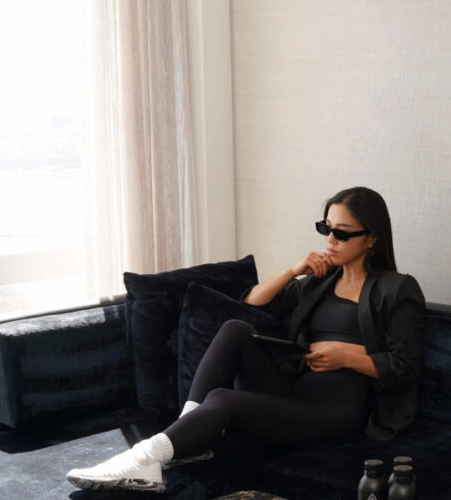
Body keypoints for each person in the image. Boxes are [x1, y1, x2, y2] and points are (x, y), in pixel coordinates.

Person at [66, 186, 427, 493]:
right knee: (237, 329)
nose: (330, 240)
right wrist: (294, 270)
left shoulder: (396, 288)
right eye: (326, 228)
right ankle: (186, 439)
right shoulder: (320, 282)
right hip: (294, 395)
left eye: (342, 233)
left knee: (223, 398)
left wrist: (344, 355)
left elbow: (405, 366)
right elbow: (254, 302)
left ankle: (146, 456)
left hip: (336, 414)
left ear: (372, 238)